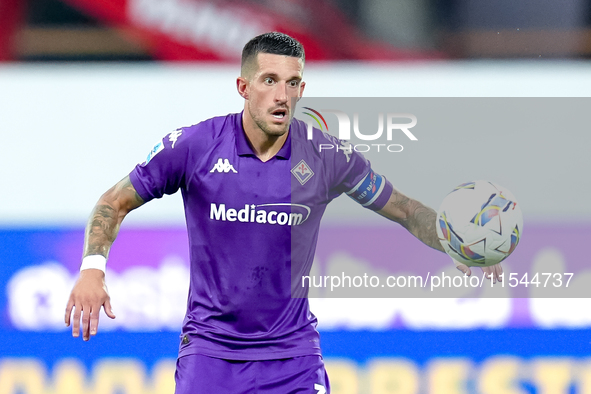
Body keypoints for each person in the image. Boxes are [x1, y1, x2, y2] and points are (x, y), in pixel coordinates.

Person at [65, 32, 502, 393]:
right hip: (211, 354)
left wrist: (452, 238)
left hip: (293, 358)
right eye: (270, 80)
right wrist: (92, 268)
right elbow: (114, 201)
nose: (282, 95)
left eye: (293, 83)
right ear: (243, 87)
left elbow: (404, 209)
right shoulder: (194, 147)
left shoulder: (328, 157)